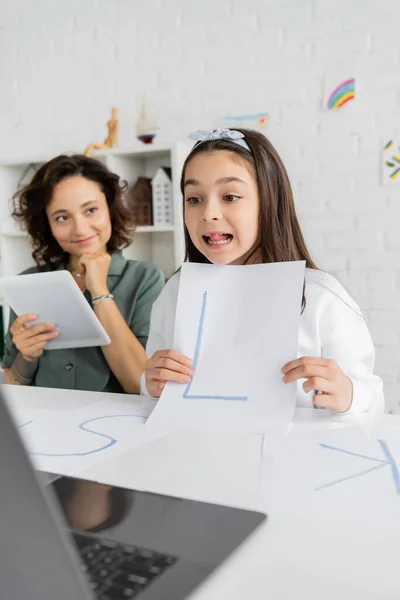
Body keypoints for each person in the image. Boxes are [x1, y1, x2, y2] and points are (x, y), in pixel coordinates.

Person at [142, 128, 384, 414]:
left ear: (269, 202)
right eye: (194, 199)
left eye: (230, 197)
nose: (209, 213)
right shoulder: (175, 293)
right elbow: (152, 391)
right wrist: (151, 384)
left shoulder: (321, 298)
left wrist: (350, 393)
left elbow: (373, 400)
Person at [3, 154, 164, 393]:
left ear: (109, 209)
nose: (80, 229)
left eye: (90, 210)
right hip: (45, 421)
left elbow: (139, 383)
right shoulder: (29, 282)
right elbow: (11, 384)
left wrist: (100, 291)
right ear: (48, 225)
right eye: (62, 217)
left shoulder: (145, 279)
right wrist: (26, 356)